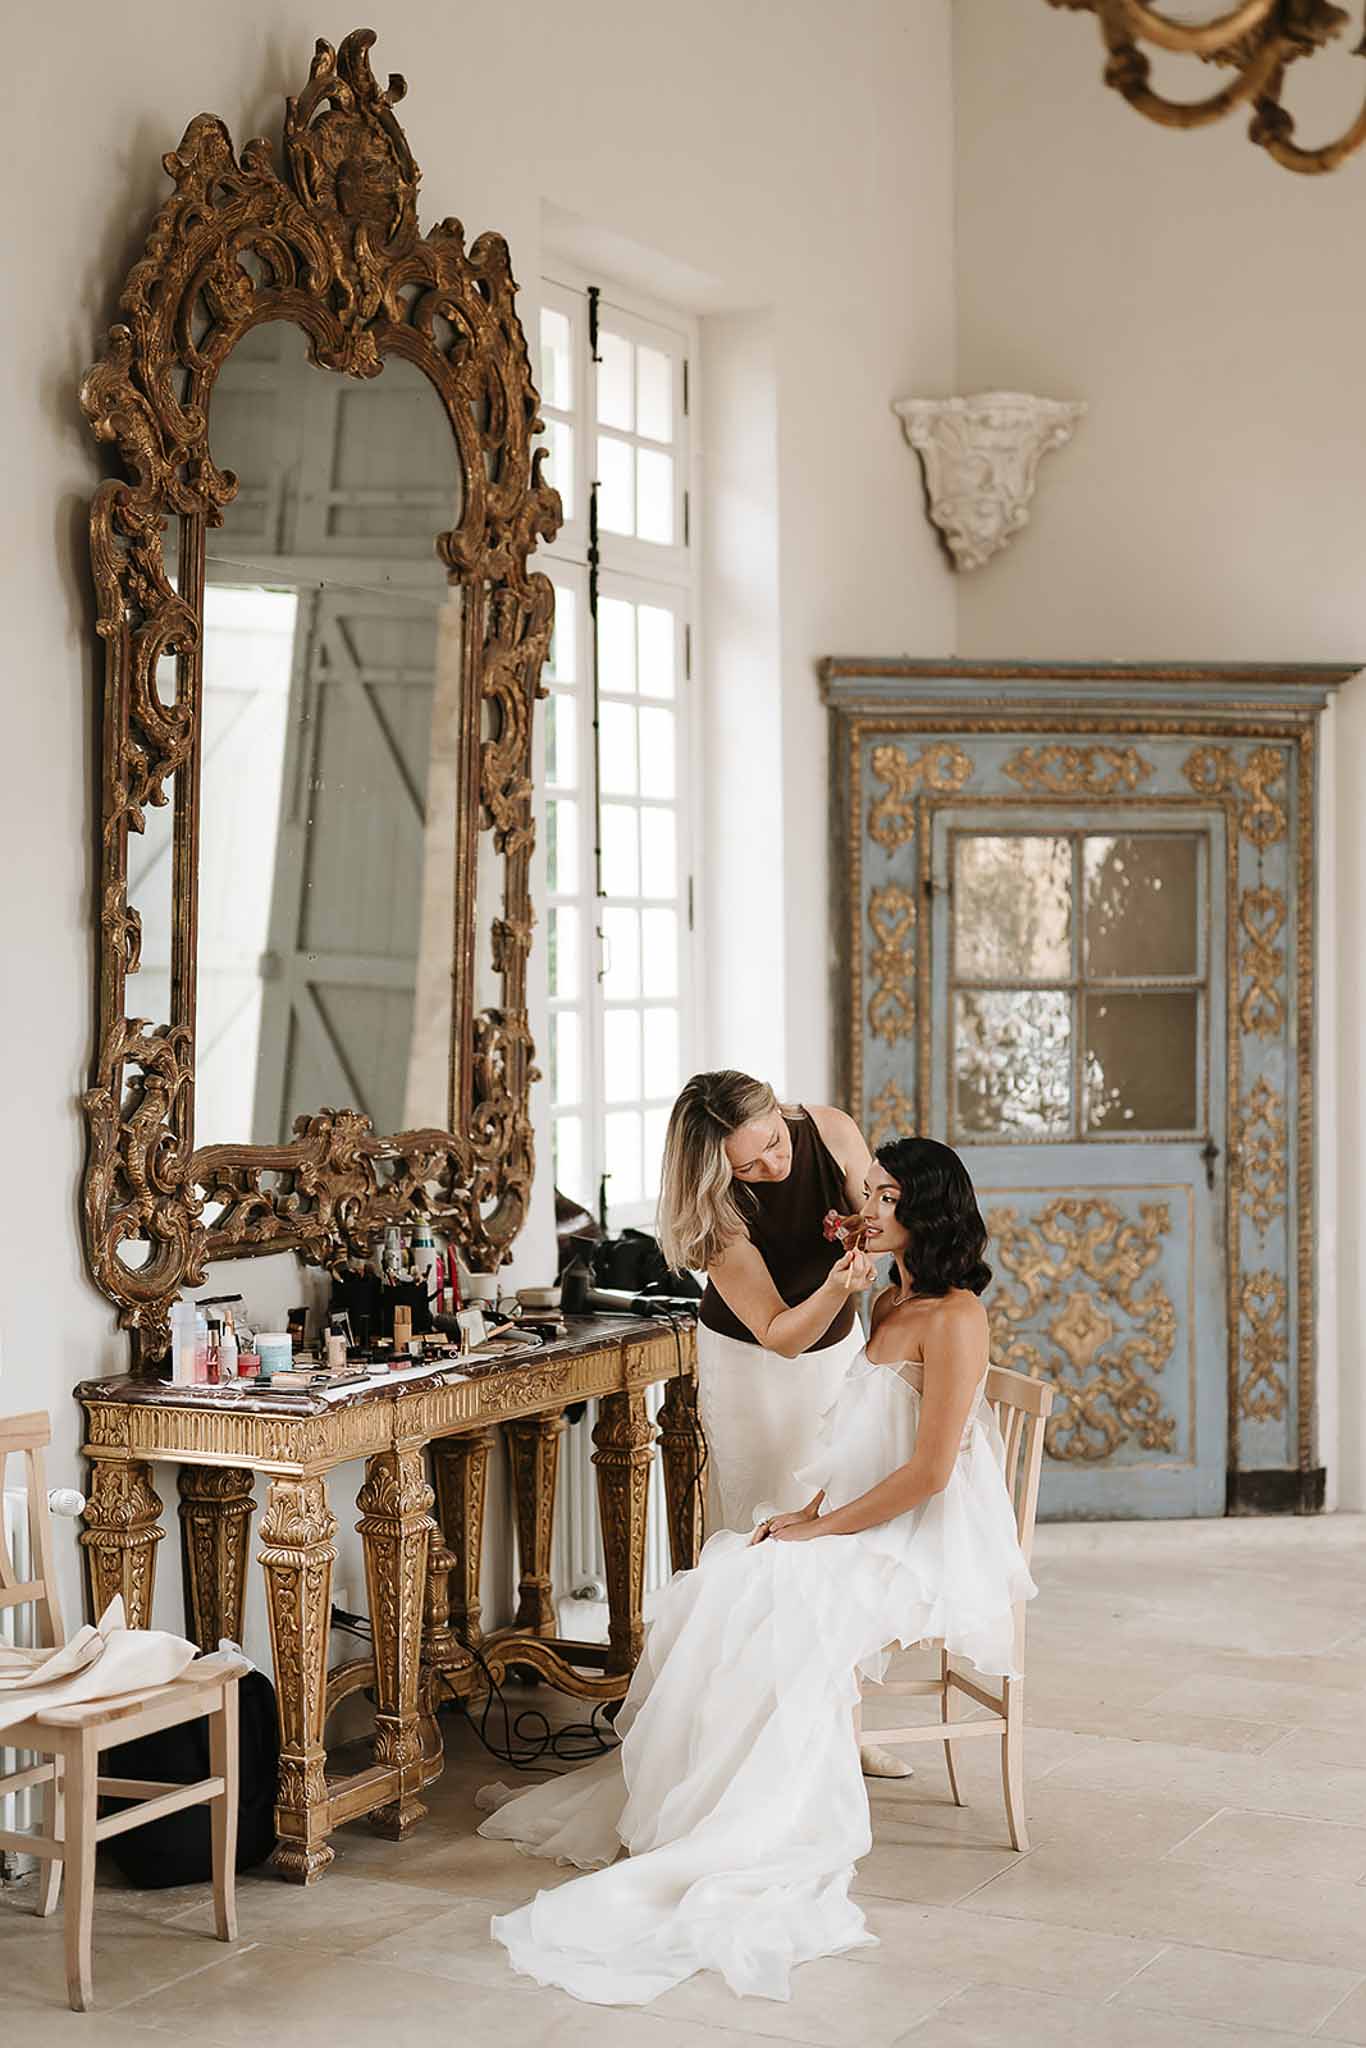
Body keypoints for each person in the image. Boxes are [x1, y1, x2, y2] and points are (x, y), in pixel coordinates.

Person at [477, 1137, 1036, 2010]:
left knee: (773, 1593)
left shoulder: (955, 1316)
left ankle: (752, 1832)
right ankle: (700, 1814)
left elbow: (928, 1475)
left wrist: (824, 1534)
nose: (869, 1205)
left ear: (928, 1211)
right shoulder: (888, 1300)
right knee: (728, 1577)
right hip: (865, 1517)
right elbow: (860, 1443)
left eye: (888, 1197)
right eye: (872, 1191)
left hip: (920, 1538)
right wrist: (808, 1516)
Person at [657, 1070, 875, 1535]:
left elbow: (878, 1217)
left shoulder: (833, 1131)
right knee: (764, 1514)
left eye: (775, 1142)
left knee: (841, 1505)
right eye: (748, 1167)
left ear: (777, 1107)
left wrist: (867, 1231)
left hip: (839, 1351)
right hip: (753, 1367)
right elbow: (780, 1336)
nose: (774, 1167)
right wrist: (837, 1287)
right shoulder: (712, 1209)